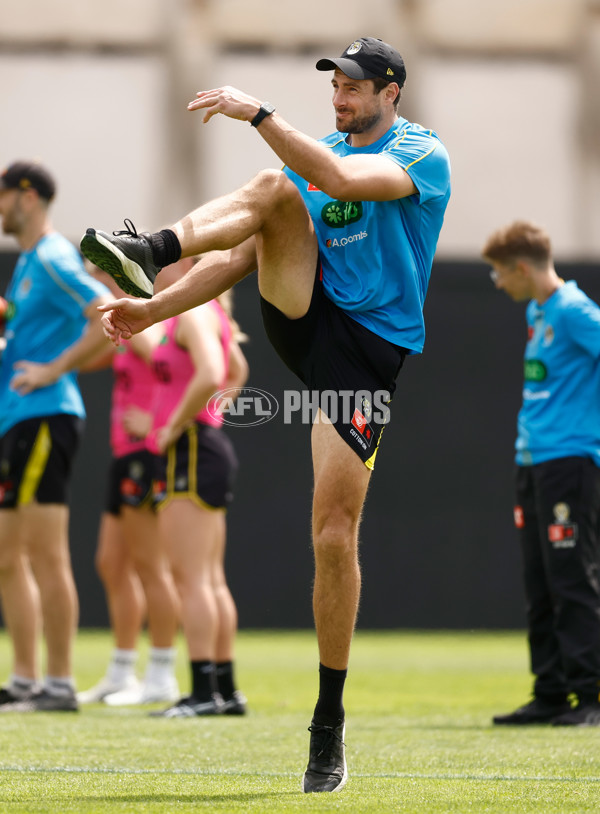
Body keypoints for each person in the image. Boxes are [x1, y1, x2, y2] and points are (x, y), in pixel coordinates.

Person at [80, 36, 451, 791]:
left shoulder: (422, 153)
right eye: (335, 85)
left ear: (391, 93)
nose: (340, 97)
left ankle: (328, 724)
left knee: (332, 535)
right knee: (272, 193)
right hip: (306, 315)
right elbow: (242, 253)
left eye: (353, 86)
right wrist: (153, 308)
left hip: (366, 354)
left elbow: (343, 175)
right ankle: (148, 244)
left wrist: (260, 113)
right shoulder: (309, 152)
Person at [0, 160, 111, 712]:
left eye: (2, 195)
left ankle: (60, 683)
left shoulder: (53, 255)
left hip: (46, 415)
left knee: (45, 554)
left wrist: (52, 369)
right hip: (17, 419)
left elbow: (105, 315)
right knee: (6, 555)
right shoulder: (26, 264)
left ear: (26, 196)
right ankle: (24, 679)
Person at [483, 220, 600, 727]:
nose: (496, 282)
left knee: (572, 578)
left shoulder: (574, 312)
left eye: (499, 273)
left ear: (523, 268)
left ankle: (591, 695)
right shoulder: (538, 309)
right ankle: (551, 691)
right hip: (533, 463)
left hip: (569, 463)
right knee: (540, 580)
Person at [145, 259, 249, 717]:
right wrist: (213, 411)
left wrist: (173, 423)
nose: (153, 270)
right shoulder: (210, 312)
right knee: (208, 578)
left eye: (161, 263)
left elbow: (212, 373)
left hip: (189, 448)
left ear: (187, 266)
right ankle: (225, 690)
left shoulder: (192, 312)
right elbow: (236, 369)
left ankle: (204, 692)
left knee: (190, 579)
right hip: (203, 445)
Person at [77, 269, 180, 706]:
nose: (94, 277)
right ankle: (122, 670)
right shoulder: (118, 322)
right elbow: (84, 357)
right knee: (111, 562)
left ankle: (162, 671)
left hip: (143, 453)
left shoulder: (141, 324)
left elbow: (168, 364)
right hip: (124, 454)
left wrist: (156, 423)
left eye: (101, 271)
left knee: (149, 565)